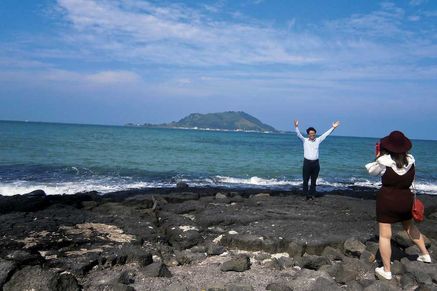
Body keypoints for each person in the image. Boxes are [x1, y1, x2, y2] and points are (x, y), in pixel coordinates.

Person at [365, 130, 431, 280]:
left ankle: (387, 270)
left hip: (387, 200)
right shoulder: (411, 160)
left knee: (385, 235)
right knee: (410, 227)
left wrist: (378, 158)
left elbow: (371, 171)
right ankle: (425, 255)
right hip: (405, 200)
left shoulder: (384, 161)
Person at [294, 120, 340, 200]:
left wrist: (333, 128)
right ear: (308, 134)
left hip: (316, 163)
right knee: (305, 180)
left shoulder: (318, 140)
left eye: (313, 133)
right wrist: (296, 127)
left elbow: (326, 134)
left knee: (314, 180)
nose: (312, 134)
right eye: (310, 133)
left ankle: (312, 195)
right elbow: (298, 135)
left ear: (315, 134)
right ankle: (306, 195)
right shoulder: (305, 140)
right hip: (307, 163)